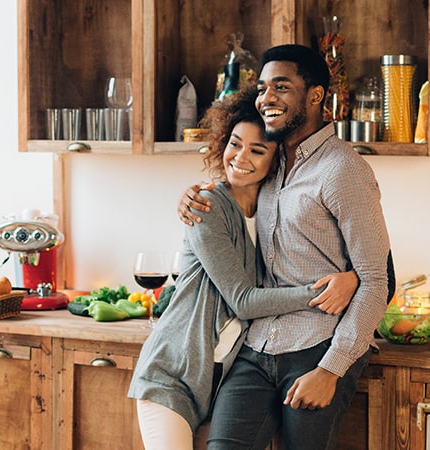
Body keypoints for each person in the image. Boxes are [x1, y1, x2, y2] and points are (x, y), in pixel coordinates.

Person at [177, 44, 391, 449]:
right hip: (256, 347)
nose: (266, 98)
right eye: (261, 88)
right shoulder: (272, 164)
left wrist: (331, 370)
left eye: (281, 86)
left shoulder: (344, 170)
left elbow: (376, 280)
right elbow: (229, 189)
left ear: (315, 95)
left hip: (318, 347)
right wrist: (189, 195)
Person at [127, 85, 359, 450]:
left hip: (215, 381)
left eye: (257, 149)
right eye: (235, 143)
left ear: (276, 159)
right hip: (171, 376)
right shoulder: (207, 205)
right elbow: (244, 301)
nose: (240, 157)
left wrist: (353, 276)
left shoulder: (271, 209)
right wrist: (327, 290)